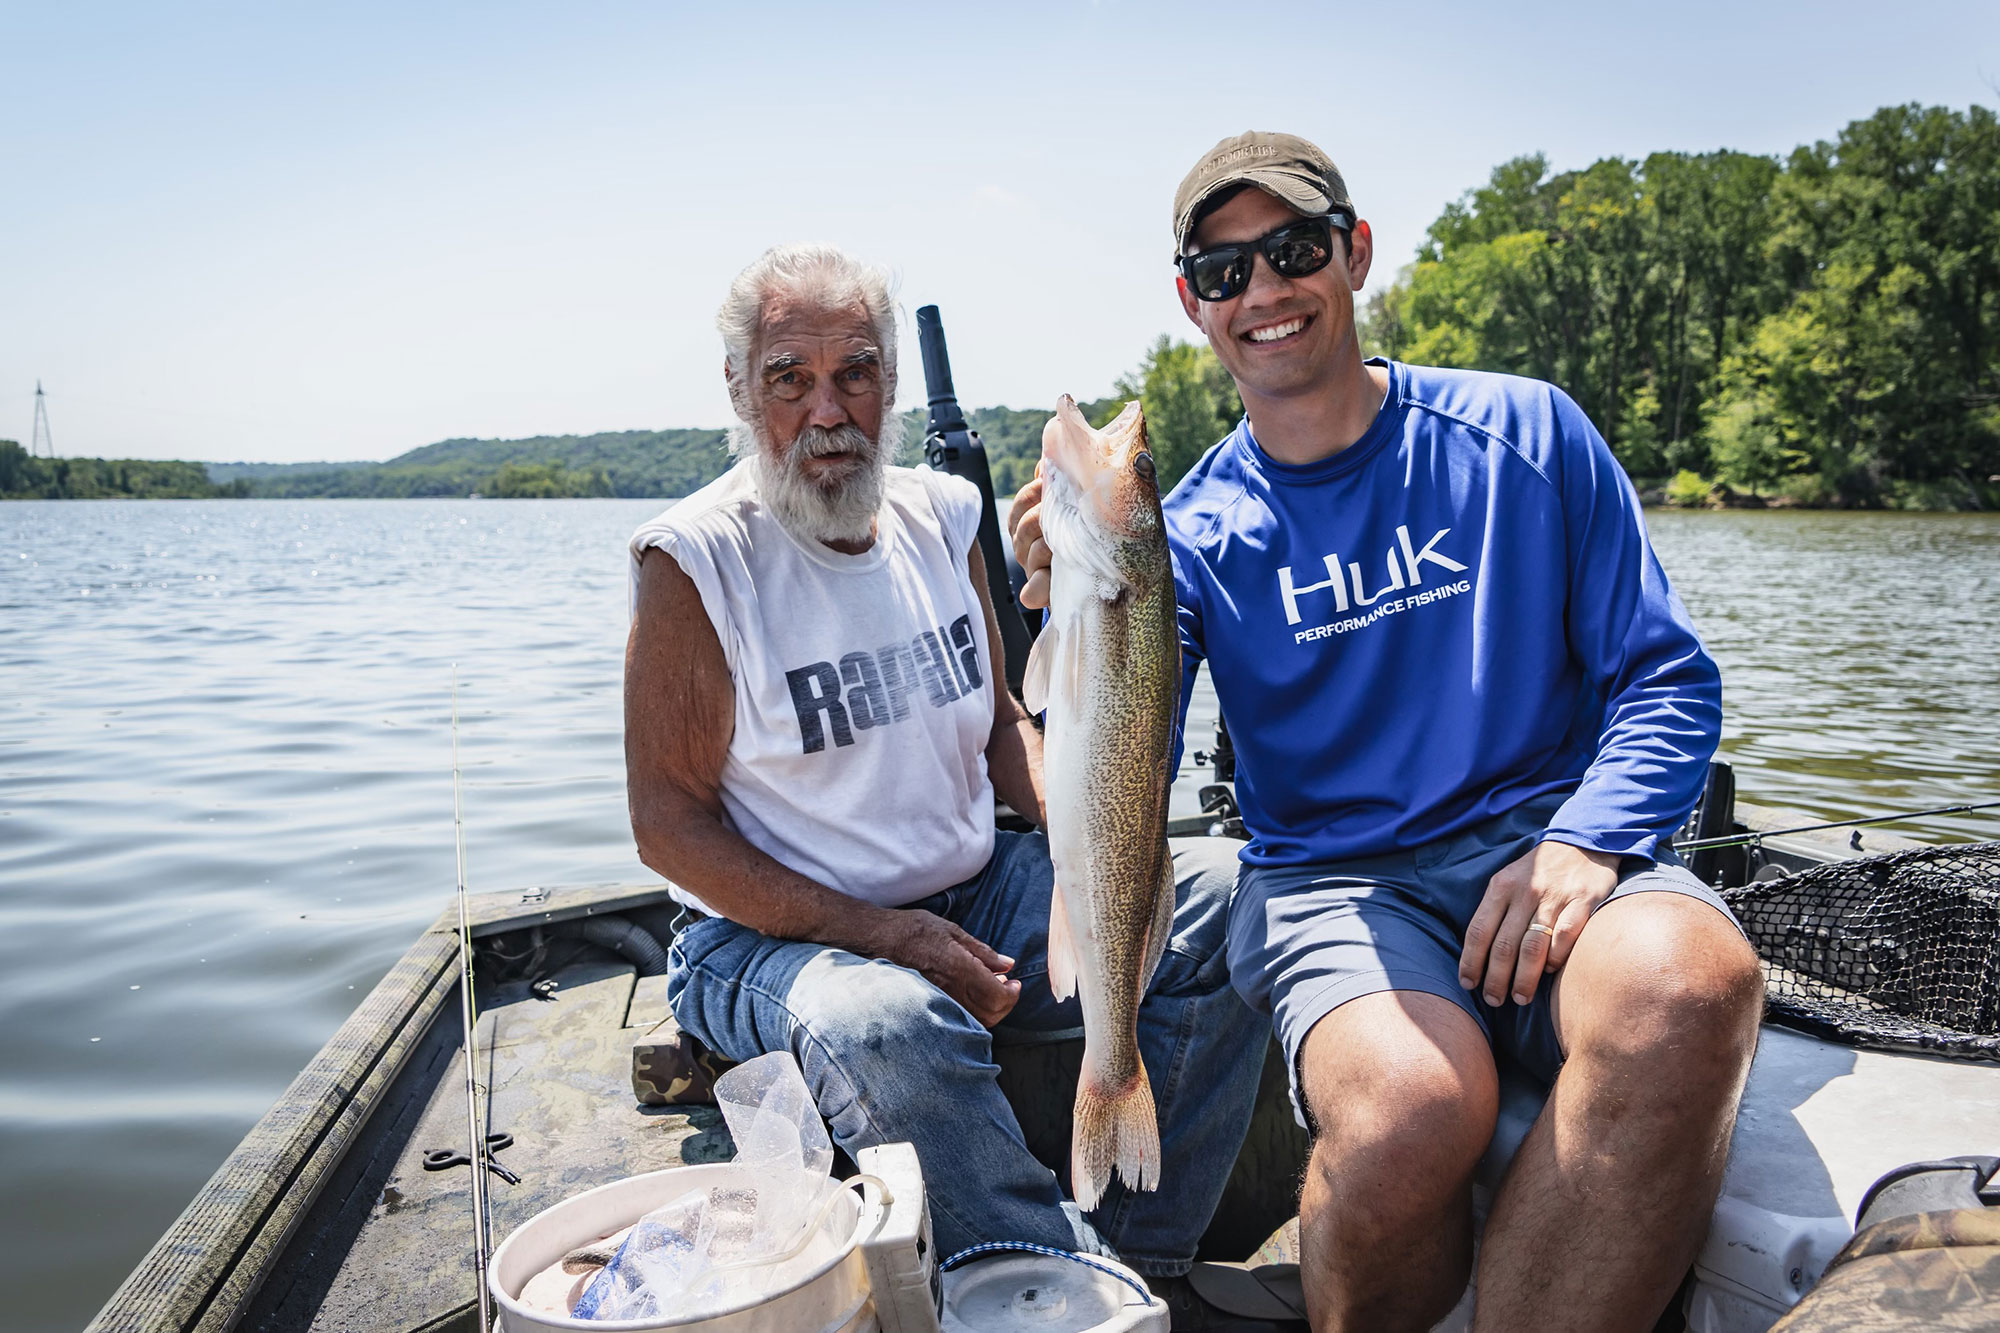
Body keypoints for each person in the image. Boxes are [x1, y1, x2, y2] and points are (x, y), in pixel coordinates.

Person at [1009, 133, 1765, 1332]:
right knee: (1414, 1108)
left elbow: (1664, 678)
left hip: (1545, 849)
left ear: (1353, 254)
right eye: (1221, 271)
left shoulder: (1528, 433)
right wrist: (1047, 601)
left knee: (1687, 989)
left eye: (1293, 249)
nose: (1260, 290)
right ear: (1192, 303)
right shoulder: (1184, 533)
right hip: (1329, 884)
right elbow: (1111, 750)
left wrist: (1586, 841)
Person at [623, 243, 1275, 1325]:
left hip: (976, 887)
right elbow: (667, 831)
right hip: (764, 937)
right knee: (893, 1021)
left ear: (888, 383)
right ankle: (1050, 1279)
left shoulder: (940, 514)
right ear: (740, 390)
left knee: (1231, 894)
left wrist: (1093, 835)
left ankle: (1123, 1267)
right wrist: (890, 936)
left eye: (857, 372)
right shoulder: (694, 561)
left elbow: (1003, 728)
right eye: (790, 377)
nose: (828, 410)